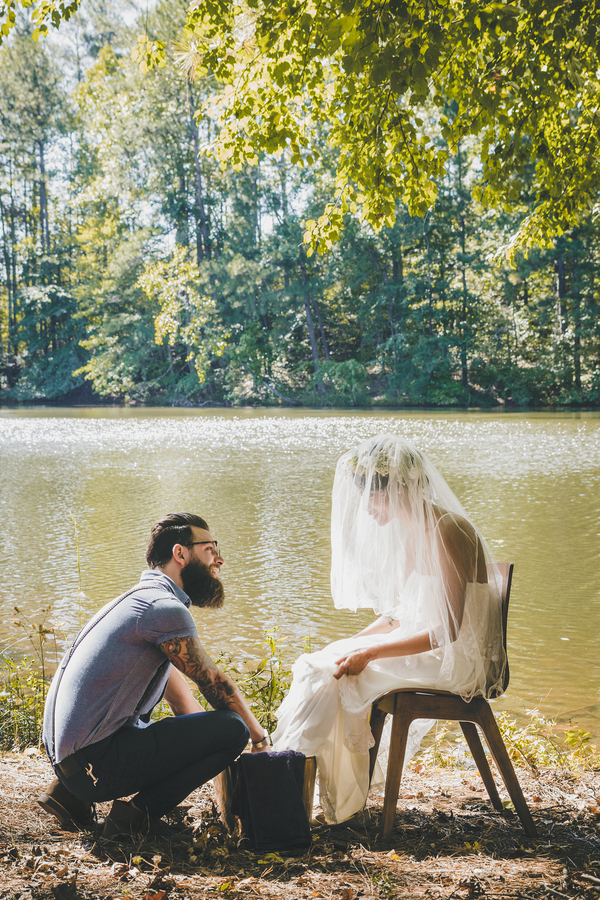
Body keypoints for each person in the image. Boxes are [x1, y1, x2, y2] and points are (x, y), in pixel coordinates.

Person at [272, 434, 506, 824]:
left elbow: (447, 630)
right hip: (426, 648)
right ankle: (292, 784)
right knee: (320, 663)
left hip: (457, 658)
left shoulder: (450, 530)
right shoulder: (415, 533)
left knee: (335, 676)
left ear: (399, 489)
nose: (366, 510)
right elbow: (398, 616)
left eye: (372, 499)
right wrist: (353, 643)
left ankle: (313, 796)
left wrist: (370, 653)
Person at [39, 512, 269, 839]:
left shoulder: (140, 601)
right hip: (92, 768)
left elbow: (182, 702)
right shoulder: (164, 609)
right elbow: (213, 683)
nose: (220, 560)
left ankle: (70, 799)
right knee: (234, 728)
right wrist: (258, 739)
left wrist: (208, 746)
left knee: (166, 716)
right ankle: (132, 822)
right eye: (210, 549)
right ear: (181, 554)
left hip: (72, 767)